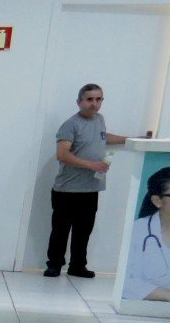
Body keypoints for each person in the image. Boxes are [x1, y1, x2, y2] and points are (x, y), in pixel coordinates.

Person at [48, 83, 129, 278]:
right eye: (89, 99)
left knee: (83, 231)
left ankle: (77, 266)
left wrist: (131, 139)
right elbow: (62, 154)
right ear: (79, 102)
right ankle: (54, 265)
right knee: (60, 231)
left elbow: (103, 137)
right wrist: (90, 164)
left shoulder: (99, 120)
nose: (94, 104)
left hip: (90, 189)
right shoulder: (70, 125)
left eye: (98, 99)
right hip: (67, 190)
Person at [123, 166, 170, 304]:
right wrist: (166, 294)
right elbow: (124, 282)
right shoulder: (137, 230)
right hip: (146, 310)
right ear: (157, 201)